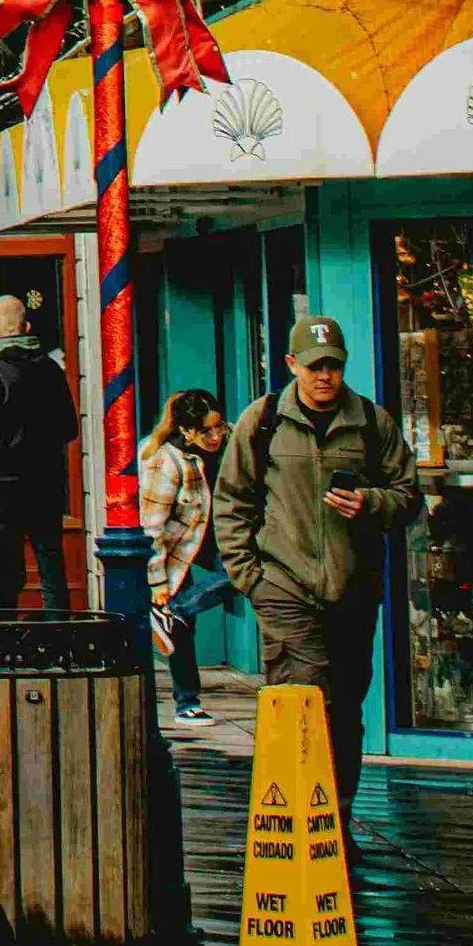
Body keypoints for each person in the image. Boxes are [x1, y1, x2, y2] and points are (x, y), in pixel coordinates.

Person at [212, 314, 418, 816]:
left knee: (346, 709)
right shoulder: (260, 422)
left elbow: (408, 495)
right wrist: (251, 578)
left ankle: (337, 819)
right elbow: (231, 502)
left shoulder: (372, 421)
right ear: (290, 365)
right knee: (304, 702)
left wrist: (370, 502)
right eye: (313, 366)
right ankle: (300, 818)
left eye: (333, 366)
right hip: (284, 585)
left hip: (354, 589)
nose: (324, 376)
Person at [0, 293, 80, 615]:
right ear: (26, 327)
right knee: (50, 563)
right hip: (44, 483)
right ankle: (59, 639)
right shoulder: (50, 371)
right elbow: (69, 428)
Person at [138, 389, 236, 725]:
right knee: (182, 629)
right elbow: (152, 527)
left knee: (244, 572)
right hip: (178, 545)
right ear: (186, 431)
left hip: (219, 535)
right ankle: (187, 703)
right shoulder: (166, 461)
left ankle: (175, 612)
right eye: (206, 431)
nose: (216, 436)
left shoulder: (231, 441)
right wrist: (158, 583)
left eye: (219, 426)